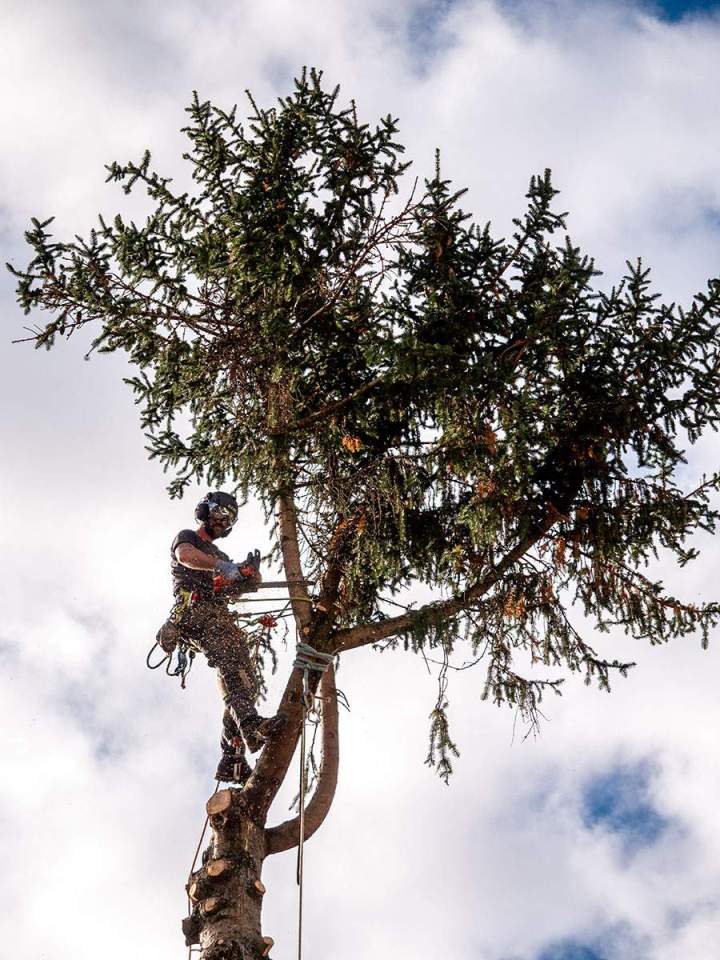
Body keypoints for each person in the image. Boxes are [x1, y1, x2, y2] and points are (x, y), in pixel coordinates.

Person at [166, 490, 282, 783]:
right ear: (205, 511)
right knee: (230, 662)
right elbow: (186, 557)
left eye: (229, 518)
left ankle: (232, 758)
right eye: (219, 513)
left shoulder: (220, 556)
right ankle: (250, 724)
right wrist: (223, 567)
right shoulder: (189, 539)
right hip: (195, 612)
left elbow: (229, 587)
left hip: (217, 615)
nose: (222, 521)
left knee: (245, 677)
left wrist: (247, 577)